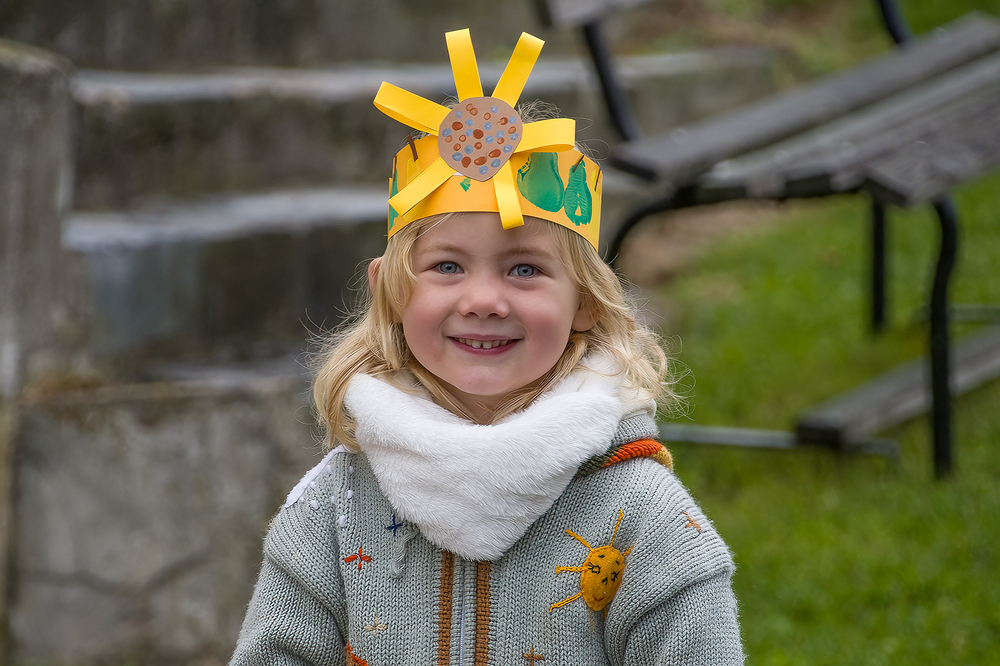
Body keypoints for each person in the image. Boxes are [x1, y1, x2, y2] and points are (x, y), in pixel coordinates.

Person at [230, 29, 743, 666]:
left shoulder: (642, 518)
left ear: (585, 301)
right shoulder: (333, 509)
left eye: (524, 269)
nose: (483, 300)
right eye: (447, 266)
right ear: (391, 292)